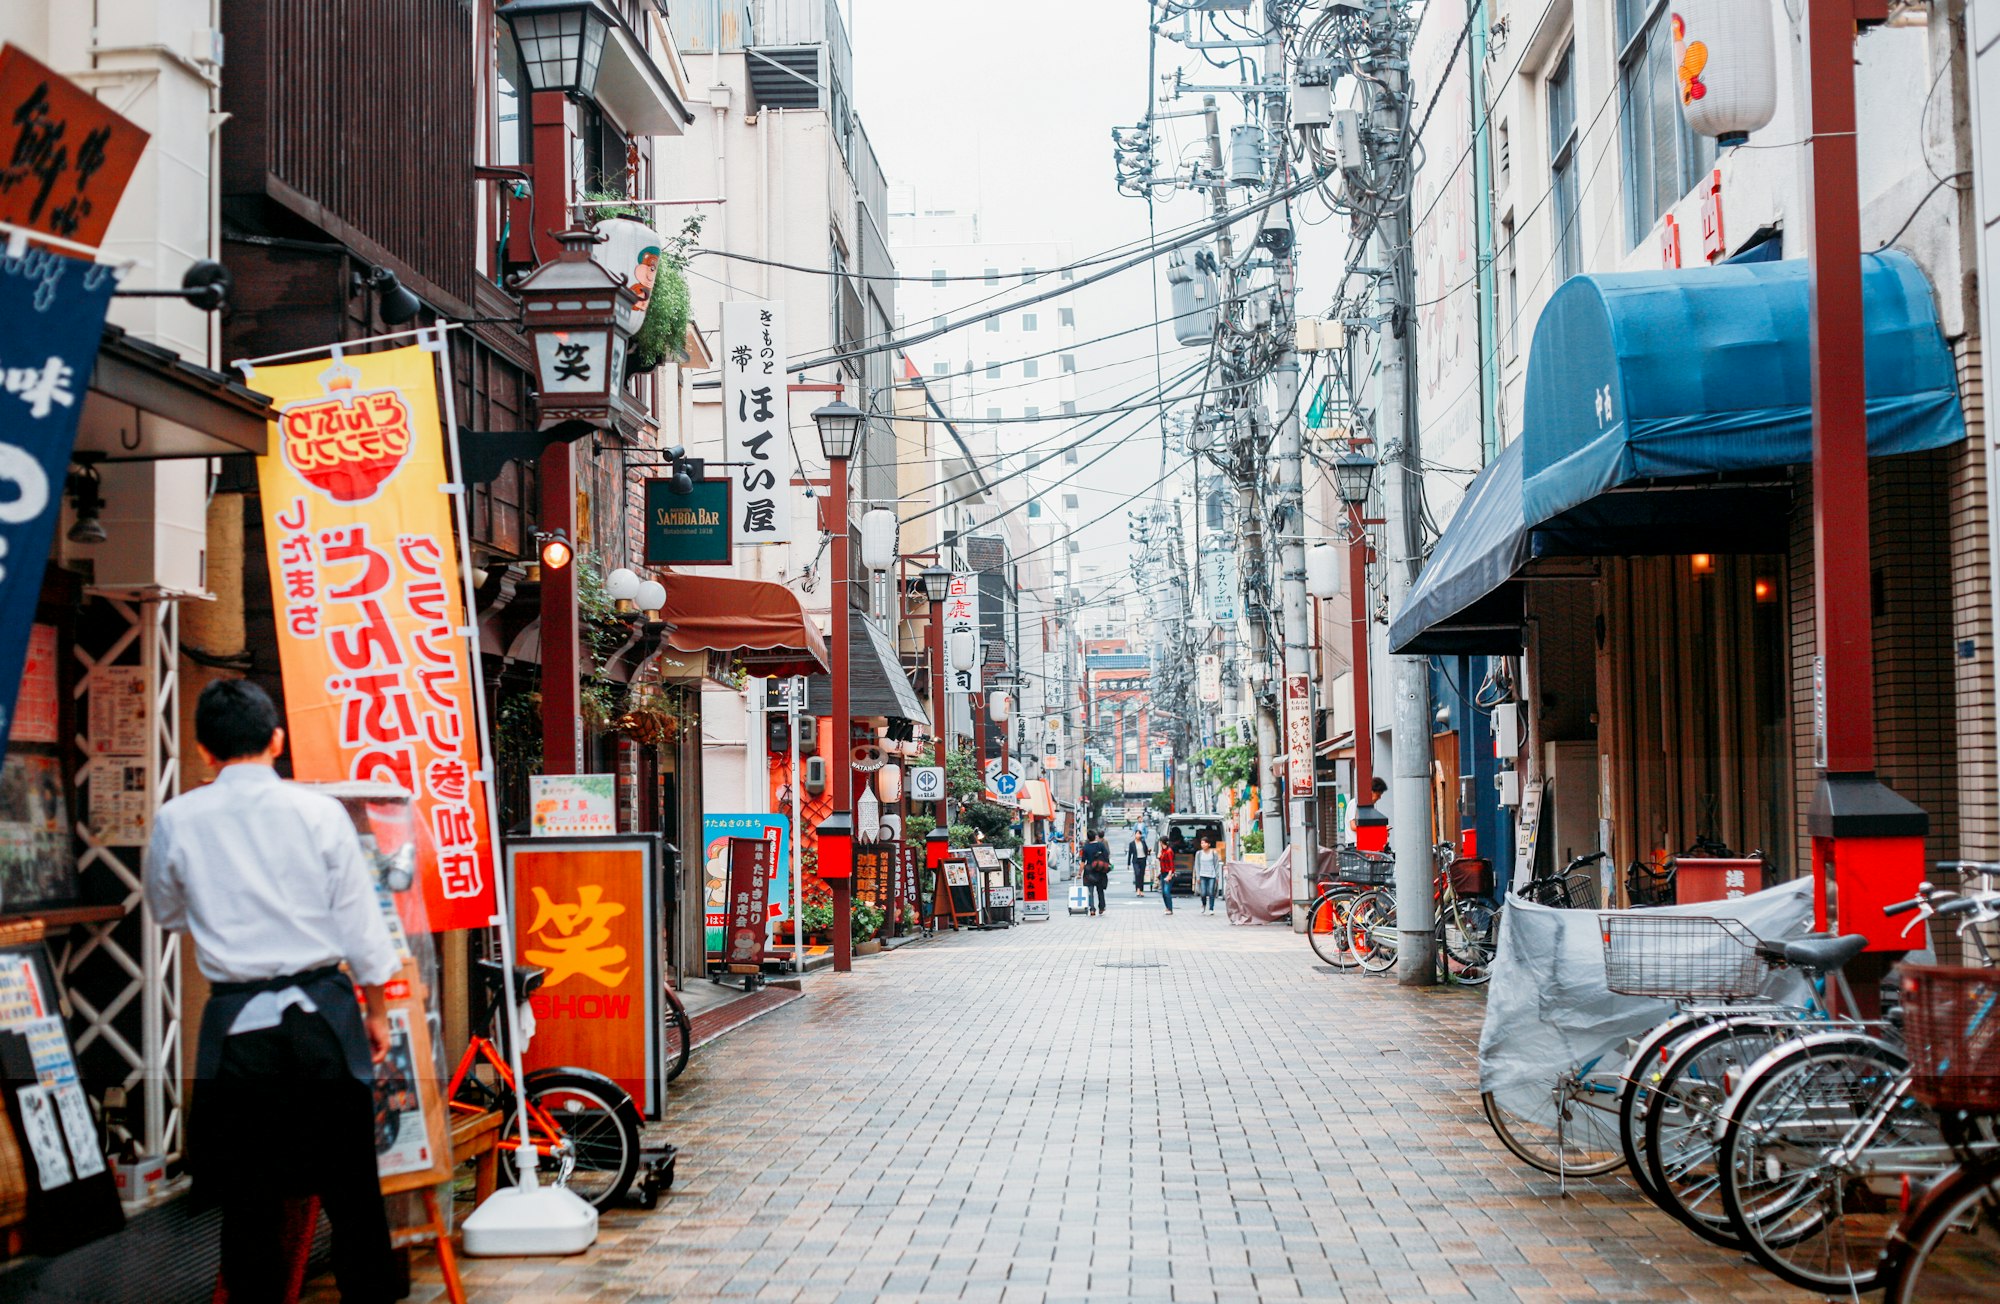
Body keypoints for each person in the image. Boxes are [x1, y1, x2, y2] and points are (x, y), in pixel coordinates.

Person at [146, 680, 401, 1303]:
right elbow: (360, 928)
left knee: (249, 1195)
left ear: (204, 751)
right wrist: (377, 1013)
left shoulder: (177, 818)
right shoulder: (317, 813)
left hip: (237, 1025)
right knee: (352, 1189)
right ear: (277, 740)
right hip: (325, 1019)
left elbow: (166, 911)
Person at [1080, 828, 1112, 917]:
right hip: (1099, 870)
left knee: (1090, 891)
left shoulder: (1085, 847)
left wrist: (1079, 873)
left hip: (1089, 871)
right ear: (1095, 837)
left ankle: (1092, 909)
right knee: (1100, 890)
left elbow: (1083, 862)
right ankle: (1101, 907)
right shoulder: (1101, 845)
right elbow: (1106, 856)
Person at [1195, 835, 1224, 915]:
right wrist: (1197, 876)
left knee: (1211, 892)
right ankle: (1204, 904)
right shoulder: (1199, 853)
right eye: (1201, 843)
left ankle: (1211, 908)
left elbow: (1217, 865)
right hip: (1202, 875)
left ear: (1209, 844)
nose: (1203, 845)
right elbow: (1197, 865)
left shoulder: (1213, 853)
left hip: (1212, 875)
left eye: (1204, 843)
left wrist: (1217, 876)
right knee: (1203, 892)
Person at [1157, 837, 1177, 915]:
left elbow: (1171, 864)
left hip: (1168, 873)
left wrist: (1170, 874)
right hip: (1163, 873)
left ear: (1161, 842)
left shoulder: (1169, 851)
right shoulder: (1163, 851)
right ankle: (1167, 907)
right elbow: (1163, 861)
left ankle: (1170, 908)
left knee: (1166, 891)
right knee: (1163, 892)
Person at [1126, 831, 1149, 896]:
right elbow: (1130, 854)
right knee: (1137, 873)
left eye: (1140, 834)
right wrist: (1128, 864)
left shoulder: (1143, 842)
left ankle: (1141, 890)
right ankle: (1138, 889)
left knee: (1141, 875)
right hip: (1136, 860)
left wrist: (1147, 855)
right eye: (1137, 834)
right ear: (1135, 835)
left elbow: (1146, 850)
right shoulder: (1132, 844)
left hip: (1143, 859)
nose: (1138, 835)